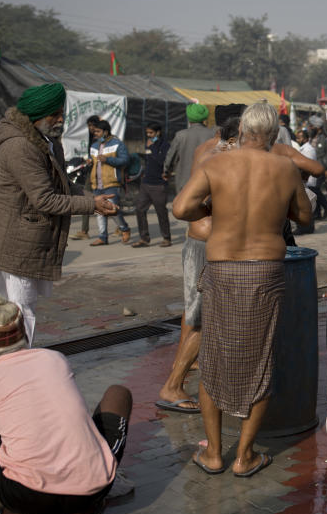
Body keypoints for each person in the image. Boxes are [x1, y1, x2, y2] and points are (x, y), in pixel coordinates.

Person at [172, 102, 313, 476]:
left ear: (242, 131)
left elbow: (181, 207)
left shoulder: (217, 164)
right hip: (265, 270)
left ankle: (214, 453)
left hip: (221, 267)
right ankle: (245, 456)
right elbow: (304, 216)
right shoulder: (284, 167)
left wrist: (216, 211)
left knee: (215, 356)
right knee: (262, 359)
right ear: (273, 133)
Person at [0, 82, 117, 375]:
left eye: (61, 112)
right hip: (13, 242)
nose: (61, 119)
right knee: (18, 316)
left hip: (16, 238)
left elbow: (59, 185)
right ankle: (5, 380)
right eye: (55, 114)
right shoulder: (20, 146)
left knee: (5, 318)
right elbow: (46, 199)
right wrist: (92, 206)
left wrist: (91, 198)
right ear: (37, 115)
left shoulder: (43, 140)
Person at [0, 296, 131, 514]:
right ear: (25, 336)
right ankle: (83, 510)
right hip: (92, 487)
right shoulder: (55, 359)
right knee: (118, 393)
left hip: (26, 497)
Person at [155, 117, 240, 413]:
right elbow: (188, 205)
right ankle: (172, 386)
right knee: (202, 319)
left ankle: (183, 377)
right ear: (232, 139)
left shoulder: (213, 152)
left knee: (197, 316)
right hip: (204, 244)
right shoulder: (217, 159)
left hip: (203, 243)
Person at [87, 120, 131, 246]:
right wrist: (90, 162)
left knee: (112, 209)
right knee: (99, 211)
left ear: (105, 132)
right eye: (94, 131)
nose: (95, 133)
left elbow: (125, 161)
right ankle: (103, 237)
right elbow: (94, 163)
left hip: (112, 183)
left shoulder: (117, 144)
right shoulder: (94, 146)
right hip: (97, 184)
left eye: (98, 131)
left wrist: (108, 160)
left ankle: (124, 228)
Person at [132, 122, 171, 248]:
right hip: (146, 183)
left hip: (158, 184)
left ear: (158, 132)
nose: (149, 135)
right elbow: (149, 159)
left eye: (151, 133)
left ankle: (166, 237)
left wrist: (152, 147)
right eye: (147, 133)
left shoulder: (165, 145)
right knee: (139, 209)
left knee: (161, 212)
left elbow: (161, 161)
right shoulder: (148, 144)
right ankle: (144, 238)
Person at [164, 103, 215, 193]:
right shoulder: (213, 135)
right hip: (207, 183)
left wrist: (166, 171)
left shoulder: (181, 135)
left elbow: (171, 157)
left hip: (185, 183)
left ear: (189, 117)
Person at [70, 115, 101, 240]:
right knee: (86, 197)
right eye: (89, 126)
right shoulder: (91, 137)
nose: (91, 128)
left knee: (105, 200)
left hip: (100, 173)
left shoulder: (102, 138)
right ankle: (84, 230)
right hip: (91, 171)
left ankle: (122, 226)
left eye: (92, 125)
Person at [308, 115, 327, 220]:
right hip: (312, 167)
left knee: (315, 189)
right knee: (313, 190)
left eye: (312, 126)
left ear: (317, 127)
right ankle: (317, 213)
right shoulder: (312, 137)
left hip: (321, 167)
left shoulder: (325, 138)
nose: (310, 128)